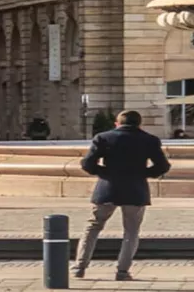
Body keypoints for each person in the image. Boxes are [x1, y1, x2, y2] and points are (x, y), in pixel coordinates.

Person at [72, 110, 170, 281]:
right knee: (131, 231)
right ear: (139, 124)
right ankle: (122, 271)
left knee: (93, 226)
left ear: (117, 123)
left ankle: (80, 267)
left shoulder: (103, 137)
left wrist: (105, 172)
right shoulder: (149, 140)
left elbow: (88, 164)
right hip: (135, 189)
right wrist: (143, 173)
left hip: (108, 188)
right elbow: (162, 166)